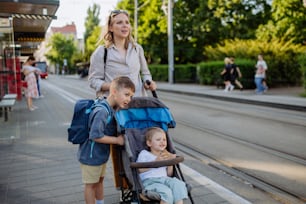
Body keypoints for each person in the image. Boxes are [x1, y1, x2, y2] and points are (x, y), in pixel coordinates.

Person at [78, 76, 135, 204]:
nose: (128, 99)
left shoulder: (110, 108)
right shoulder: (102, 111)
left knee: (99, 181)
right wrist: (117, 140)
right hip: (91, 156)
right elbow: (95, 135)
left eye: (131, 96)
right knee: (90, 185)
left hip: (100, 155)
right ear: (113, 91)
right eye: (126, 94)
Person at [88, 9, 156, 98]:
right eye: (119, 22)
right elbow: (93, 80)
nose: (125, 25)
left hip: (138, 103)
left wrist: (148, 82)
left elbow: (146, 73)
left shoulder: (137, 49)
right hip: (114, 106)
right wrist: (113, 86)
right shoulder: (101, 52)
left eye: (127, 22)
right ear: (110, 28)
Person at [136, 127, 188, 204]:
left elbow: (169, 174)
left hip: (165, 180)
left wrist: (170, 163)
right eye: (158, 140)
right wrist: (155, 162)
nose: (162, 142)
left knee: (178, 184)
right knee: (166, 192)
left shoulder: (165, 155)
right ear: (149, 143)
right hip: (151, 182)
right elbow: (139, 170)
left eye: (164, 139)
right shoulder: (144, 154)